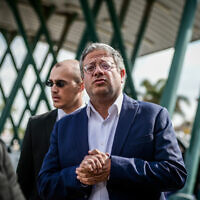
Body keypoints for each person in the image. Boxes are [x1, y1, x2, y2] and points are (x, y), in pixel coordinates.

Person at [37, 43, 187, 200]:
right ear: (83, 80)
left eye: (105, 65)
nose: (98, 71)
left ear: (122, 75)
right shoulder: (64, 126)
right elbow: (45, 185)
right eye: (90, 68)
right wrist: (79, 175)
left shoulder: (153, 116)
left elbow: (175, 174)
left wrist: (114, 167)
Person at [17, 59, 84, 200]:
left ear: (81, 86)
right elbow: (23, 180)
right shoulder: (35, 125)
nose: (53, 89)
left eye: (60, 83)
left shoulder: (98, 123)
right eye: (50, 83)